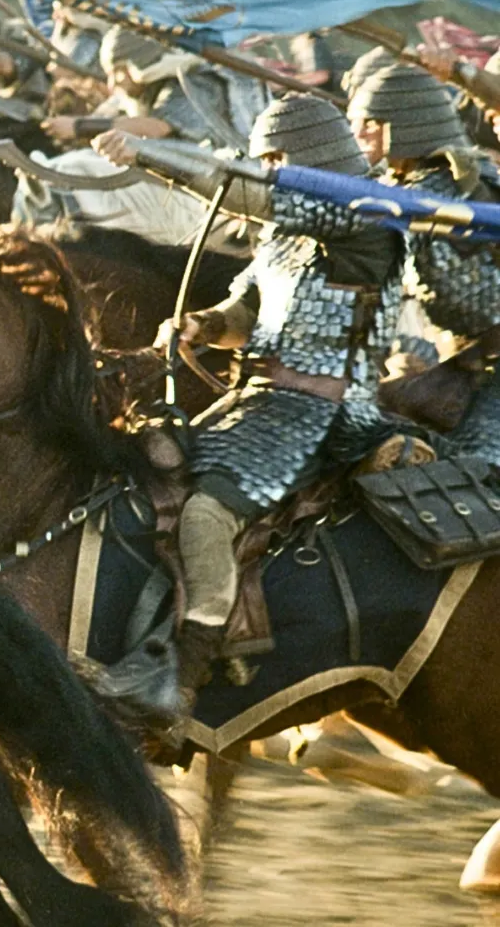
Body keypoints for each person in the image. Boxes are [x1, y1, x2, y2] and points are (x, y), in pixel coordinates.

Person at [93, 95, 406, 716]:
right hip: (257, 400)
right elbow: (247, 313)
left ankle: (184, 674)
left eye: (276, 159)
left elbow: (252, 195)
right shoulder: (284, 237)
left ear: (313, 157)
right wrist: (205, 325)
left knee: (207, 514)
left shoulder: (366, 220)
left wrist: (151, 155)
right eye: (264, 160)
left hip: (322, 411)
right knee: (151, 464)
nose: (266, 170)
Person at [351, 63, 500, 467]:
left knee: (477, 473)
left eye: (366, 124)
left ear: (398, 127)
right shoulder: (412, 188)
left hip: (487, 366)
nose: (356, 134)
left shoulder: (439, 192)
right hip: (464, 363)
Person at [44, 25, 259, 152]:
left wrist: (79, 127)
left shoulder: (191, 83)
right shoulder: (150, 95)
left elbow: (157, 128)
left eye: (117, 72)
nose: (112, 84)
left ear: (138, 64)